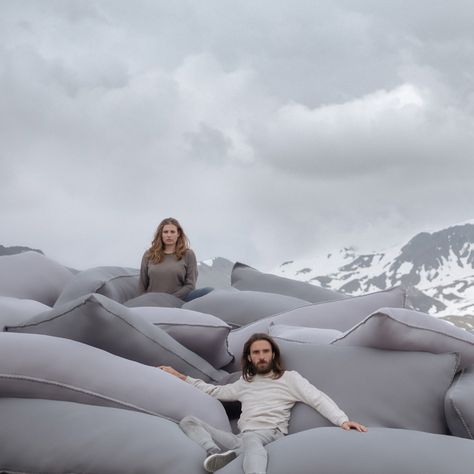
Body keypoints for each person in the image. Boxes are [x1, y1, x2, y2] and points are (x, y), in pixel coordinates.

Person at [160, 333, 367, 473]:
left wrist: (342, 420)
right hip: (241, 437)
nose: (261, 357)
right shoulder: (245, 383)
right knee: (189, 421)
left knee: (251, 441)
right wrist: (181, 376)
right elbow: (214, 391)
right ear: (249, 358)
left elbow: (317, 398)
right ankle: (215, 454)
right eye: (256, 353)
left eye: (265, 352)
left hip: (271, 432)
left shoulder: (289, 379)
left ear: (273, 354)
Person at [138, 217, 212, 302]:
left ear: (178, 233)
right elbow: (142, 285)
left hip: (178, 301)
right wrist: (143, 301)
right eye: (165, 232)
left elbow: (190, 285)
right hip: (153, 302)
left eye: (172, 232)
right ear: (161, 234)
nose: (169, 235)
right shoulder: (149, 254)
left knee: (208, 291)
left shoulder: (188, 254)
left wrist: (170, 299)